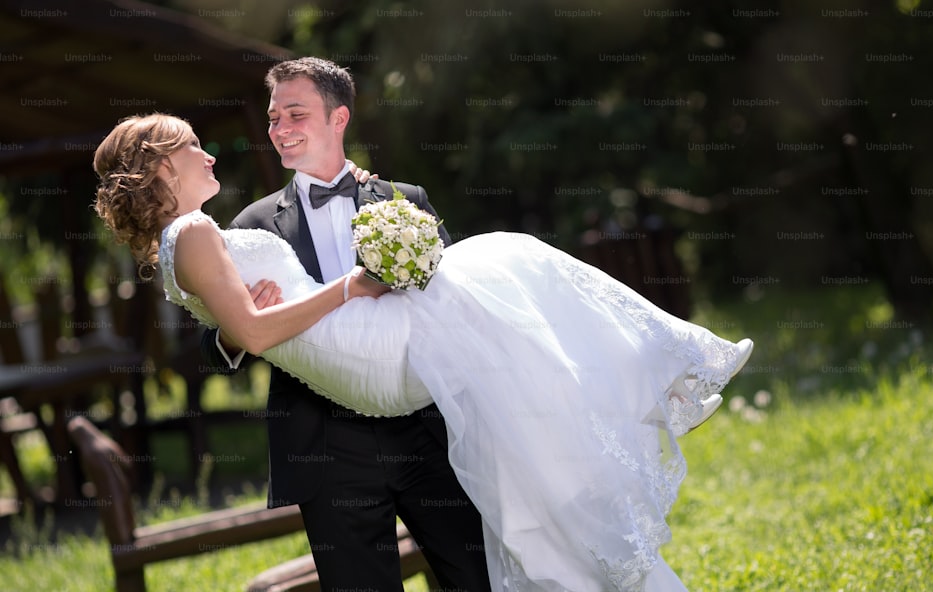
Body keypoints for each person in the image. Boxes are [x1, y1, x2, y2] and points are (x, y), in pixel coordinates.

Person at [94, 110, 752, 592]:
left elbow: (248, 320)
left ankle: (635, 406)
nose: (210, 155)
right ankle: (663, 376)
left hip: (367, 372)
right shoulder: (199, 229)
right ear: (160, 166)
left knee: (503, 303)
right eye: (192, 148)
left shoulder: (174, 250)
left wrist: (267, 305)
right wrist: (351, 286)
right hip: (361, 366)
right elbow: (255, 335)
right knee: (508, 261)